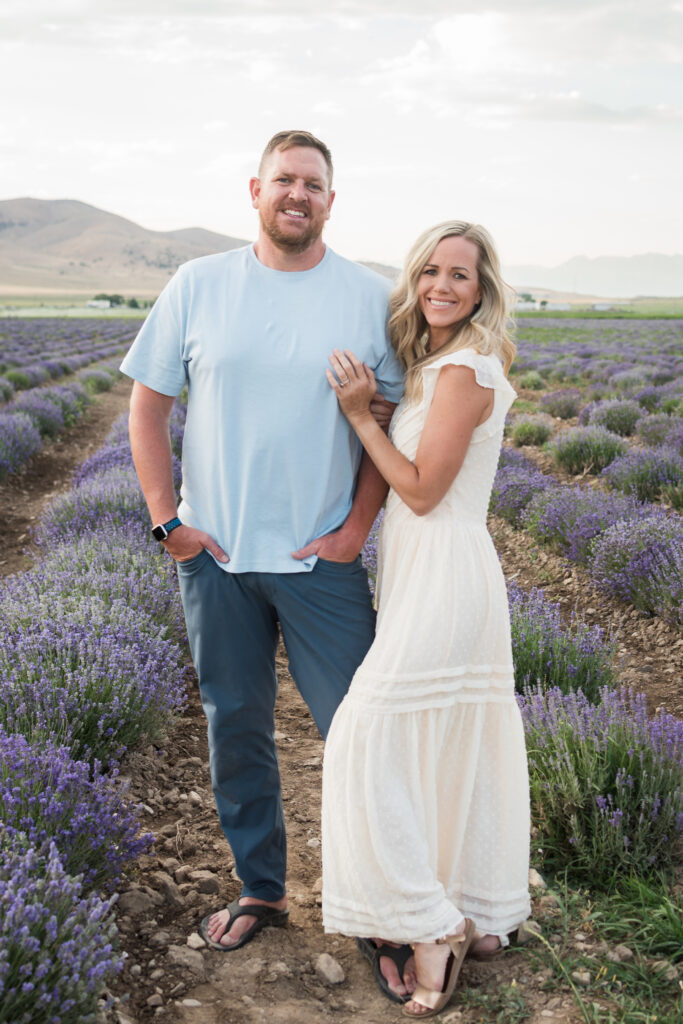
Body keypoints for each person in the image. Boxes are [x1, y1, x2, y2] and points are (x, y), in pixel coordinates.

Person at [120, 130, 404, 953]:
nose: (297, 194)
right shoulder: (199, 283)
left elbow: (387, 420)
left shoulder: (366, 296)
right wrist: (168, 522)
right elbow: (147, 406)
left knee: (357, 734)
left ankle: (383, 911)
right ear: (255, 190)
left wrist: (356, 530)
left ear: (330, 200)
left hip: (321, 563)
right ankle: (262, 890)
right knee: (235, 726)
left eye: (313, 183)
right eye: (284, 179)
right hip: (217, 562)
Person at [321, 221, 531, 1018]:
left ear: (482, 290)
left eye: (460, 275)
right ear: (414, 282)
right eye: (430, 272)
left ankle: (431, 924)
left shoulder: (468, 367)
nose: (441, 285)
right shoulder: (436, 368)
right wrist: (386, 404)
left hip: (445, 572)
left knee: (367, 735)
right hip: (425, 574)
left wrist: (360, 418)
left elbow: (418, 491)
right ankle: (471, 902)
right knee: (446, 739)